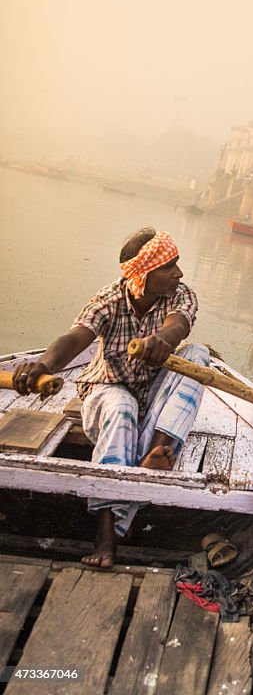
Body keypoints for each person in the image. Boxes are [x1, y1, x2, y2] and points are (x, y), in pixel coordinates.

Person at [12, 227, 209, 569]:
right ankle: (106, 537)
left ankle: (153, 454)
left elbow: (178, 326)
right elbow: (74, 340)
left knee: (199, 355)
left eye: (177, 264)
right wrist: (43, 366)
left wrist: (161, 339)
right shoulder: (109, 300)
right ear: (143, 274)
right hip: (106, 392)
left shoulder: (181, 294)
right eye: (168, 267)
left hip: (151, 394)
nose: (178, 273)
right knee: (122, 407)